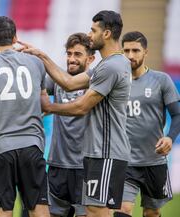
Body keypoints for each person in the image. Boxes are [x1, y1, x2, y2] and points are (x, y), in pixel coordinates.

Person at [21, 10, 131, 217]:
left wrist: (50, 107)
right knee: (93, 210)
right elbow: (69, 83)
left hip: (106, 152)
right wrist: (41, 55)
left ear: (106, 34)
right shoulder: (105, 65)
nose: (90, 34)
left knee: (96, 212)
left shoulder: (113, 66)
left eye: (93, 30)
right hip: (93, 155)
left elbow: (82, 107)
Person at [0, 16, 50, 217]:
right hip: (32, 144)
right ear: (15, 37)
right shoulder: (36, 63)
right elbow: (44, 105)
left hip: (1, 147)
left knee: (3, 210)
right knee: (39, 209)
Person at [116, 31, 180, 217]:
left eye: (135, 50)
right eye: (126, 50)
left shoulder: (161, 80)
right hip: (125, 161)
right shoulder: (116, 81)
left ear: (146, 52)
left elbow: (177, 114)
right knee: (123, 209)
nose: (130, 55)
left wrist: (170, 137)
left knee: (152, 213)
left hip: (154, 161)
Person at [46, 33, 94, 217]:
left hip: (85, 166)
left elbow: (80, 108)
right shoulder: (58, 80)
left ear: (90, 58)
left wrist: (49, 107)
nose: (71, 59)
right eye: (69, 53)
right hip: (58, 165)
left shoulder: (97, 81)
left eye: (77, 54)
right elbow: (34, 87)